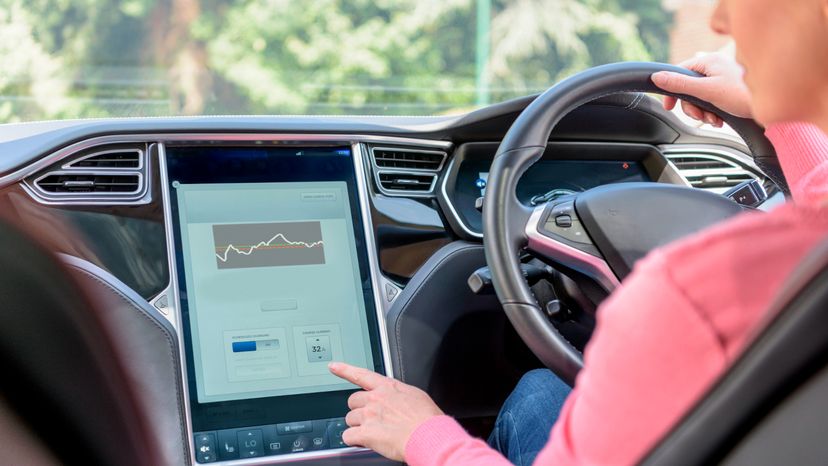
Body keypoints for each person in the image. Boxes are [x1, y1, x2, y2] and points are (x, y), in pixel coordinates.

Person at [328, 0, 828, 464]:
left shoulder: (688, 290)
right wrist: (783, 112)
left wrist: (425, 434)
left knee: (538, 394)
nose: (721, 20)